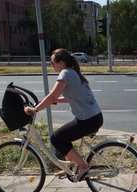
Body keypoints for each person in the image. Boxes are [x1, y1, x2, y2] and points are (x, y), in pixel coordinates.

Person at [24, 48, 103, 181]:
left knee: (57, 138)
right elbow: (71, 97)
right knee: (64, 138)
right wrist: (52, 101)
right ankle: (69, 168)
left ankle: (83, 166)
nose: (51, 65)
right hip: (94, 117)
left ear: (61, 62)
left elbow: (53, 95)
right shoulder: (73, 73)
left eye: (52, 62)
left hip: (87, 119)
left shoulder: (65, 73)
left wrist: (35, 109)